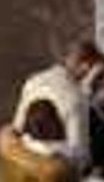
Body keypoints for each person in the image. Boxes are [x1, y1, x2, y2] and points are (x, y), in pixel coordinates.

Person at [15, 41, 98, 172]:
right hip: (54, 179)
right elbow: (81, 158)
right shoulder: (77, 98)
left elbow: (17, 129)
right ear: (86, 67)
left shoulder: (32, 81)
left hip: (22, 167)